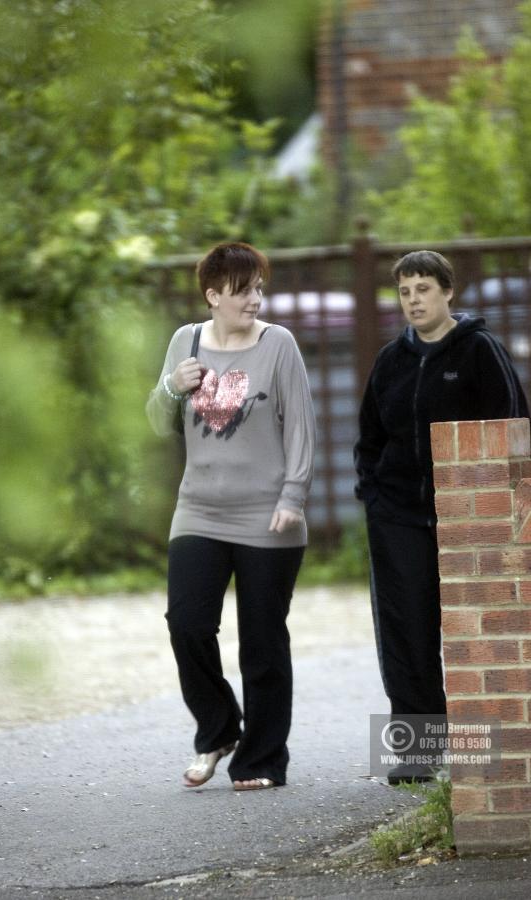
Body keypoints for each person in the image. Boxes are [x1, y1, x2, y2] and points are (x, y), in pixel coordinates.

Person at [354, 250, 529, 784]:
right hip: (399, 516)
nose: (414, 301)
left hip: (470, 520)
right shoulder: (390, 361)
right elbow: (370, 438)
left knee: (475, 631)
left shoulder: (479, 350)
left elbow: (512, 427)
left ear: (447, 292)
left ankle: (484, 758)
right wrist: (375, 496)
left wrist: (508, 503)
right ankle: (415, 756)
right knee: (405, 630)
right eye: (405, 292)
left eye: (423, 289)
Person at [146, 241, 316, 791]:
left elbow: (300, 427)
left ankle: (262, 760)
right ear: (213, 295)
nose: (255, 300)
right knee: (187, 623)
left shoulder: (279, 345)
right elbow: (156, 421)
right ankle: (219, 729)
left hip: (269, 515)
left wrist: (293, 496)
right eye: (243, 291)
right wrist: (173, 387)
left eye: (259, 289)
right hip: (198, 510)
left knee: (263, 642)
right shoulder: (186, 342)